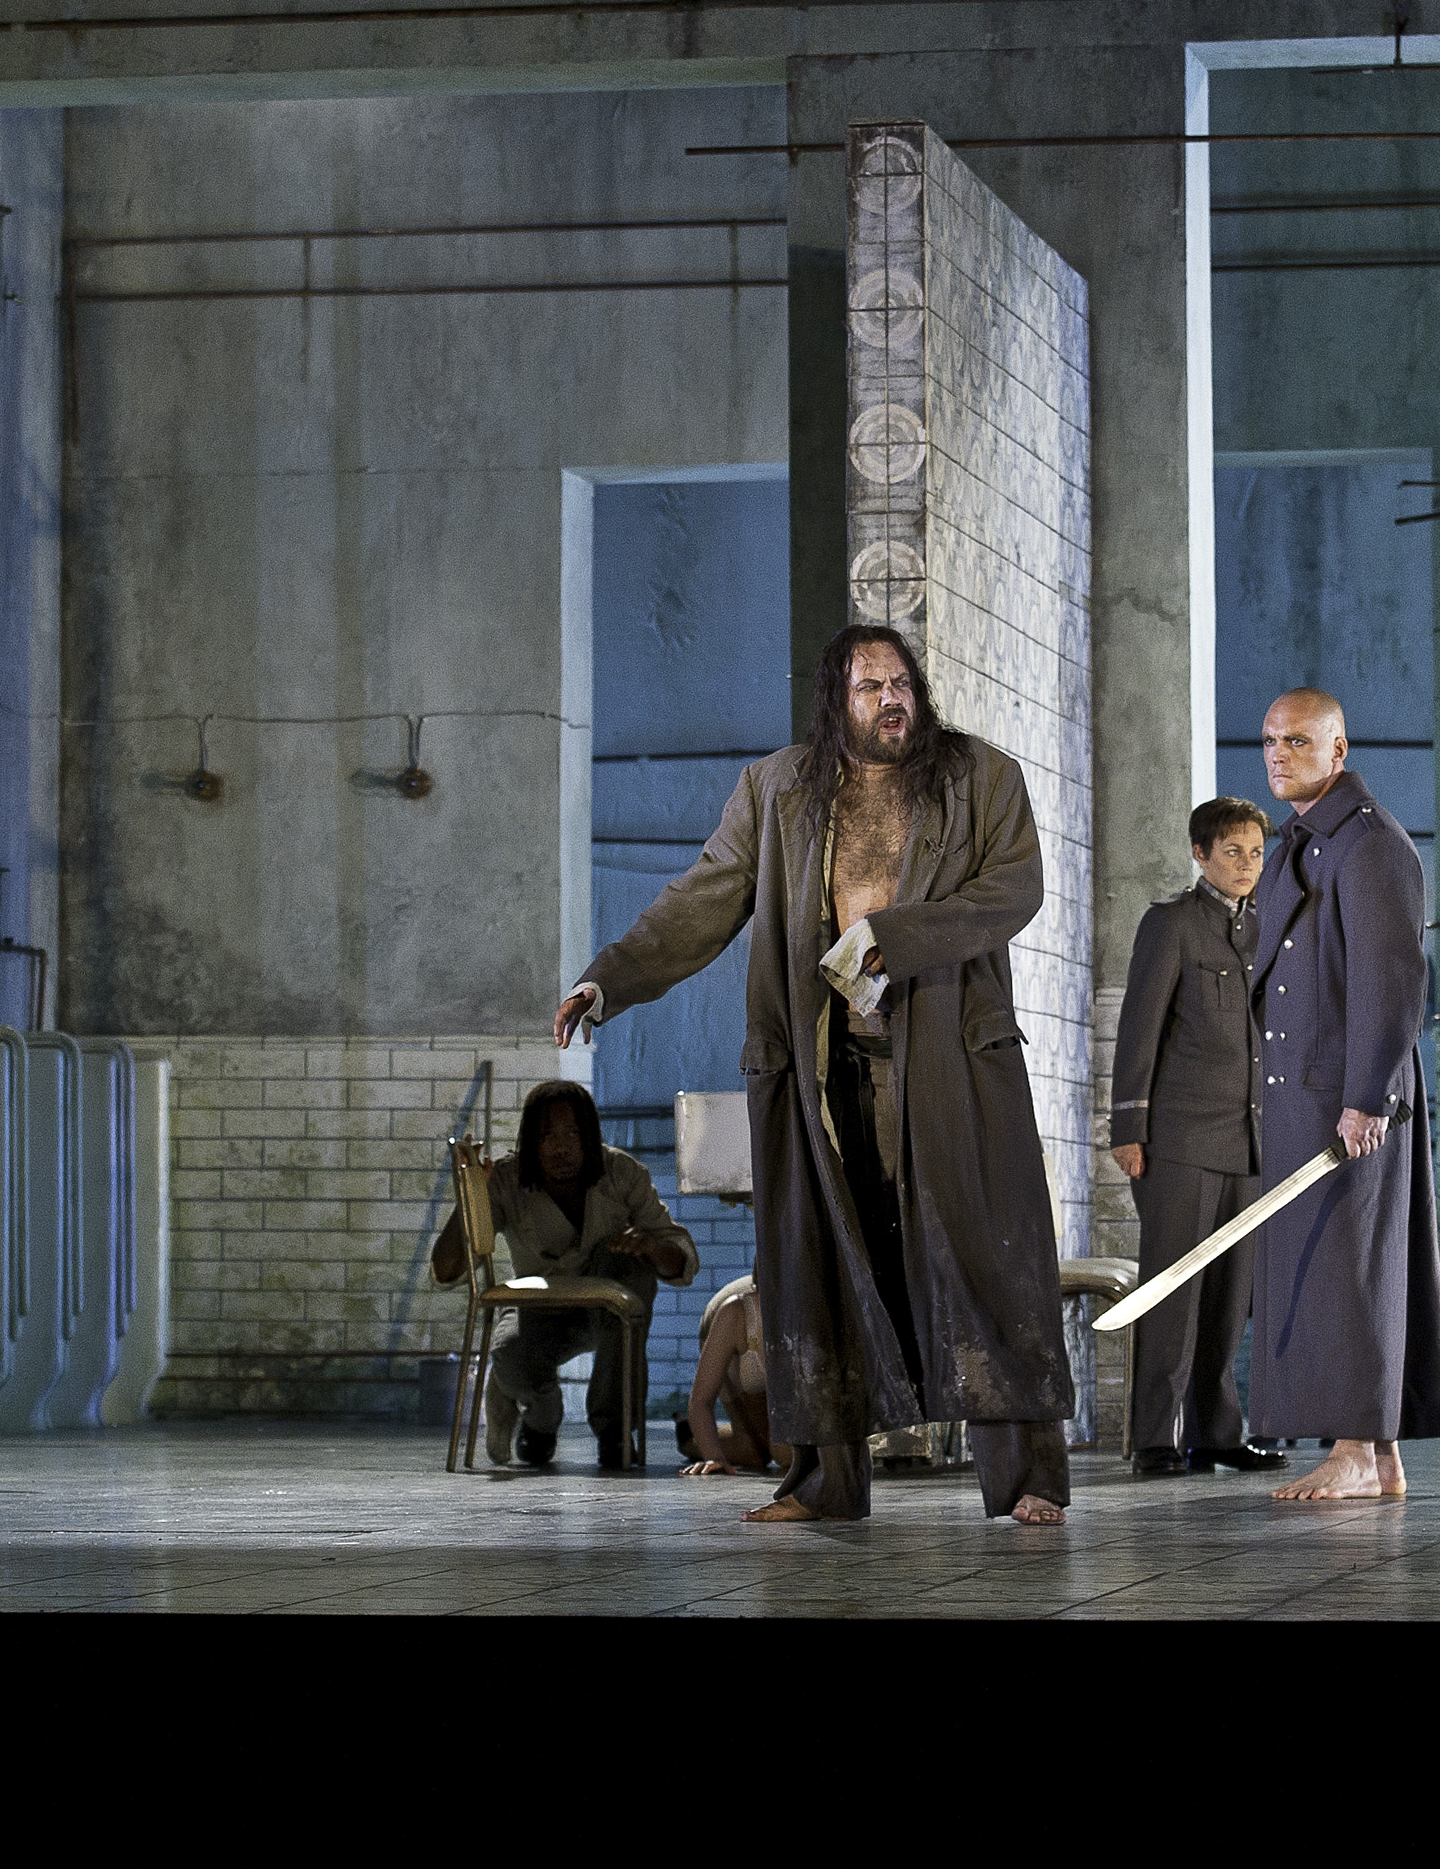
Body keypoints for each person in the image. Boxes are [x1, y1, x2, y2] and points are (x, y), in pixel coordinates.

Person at [556, 624, 1075, 1525]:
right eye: (870, 685)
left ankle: (1027, 1479)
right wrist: (611, 979)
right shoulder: (779, 789)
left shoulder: (980, 777)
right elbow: (703, 898)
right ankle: (823, 1481)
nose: (891, 699)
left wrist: (894, 937)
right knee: (816, 1267)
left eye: (902, 680)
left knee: (987, 1262)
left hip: (948, 1059)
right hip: (818, 1066)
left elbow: (1012, 890)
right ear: (836, 700)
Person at [1249, 689, 1440, 1501]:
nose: (1275, 754)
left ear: (1338, 750)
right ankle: (1380, 1452)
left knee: (1353, 1267)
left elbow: (1392, 981)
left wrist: (1366, 1097)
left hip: (1349, 1096)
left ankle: (1354, 1449)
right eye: (1268, 741)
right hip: (1303, 1094)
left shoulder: (1368, 846)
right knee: (1334, 1266)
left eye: (1296, 741)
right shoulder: (1296, 845)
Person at [1109, 796, 1287, 1476]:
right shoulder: (1172, 925)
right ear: (1200, 853)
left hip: (1247, 1143)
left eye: (1254, 852)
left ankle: (1216, 1433)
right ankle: (1157, 1437)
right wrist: (1128, 1127)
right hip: (1178, 1141)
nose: (1246, 864)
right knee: (1173, 1291)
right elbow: (1139, 1030)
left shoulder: (1266, 931)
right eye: (1233, 851)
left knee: (1227, 1299)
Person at [430, 1080, 697, 1468]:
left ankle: (614, 1430)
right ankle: (538, 1421)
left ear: (590, 1136)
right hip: (537, 1313)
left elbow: (680, 1258)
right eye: (547, 1135)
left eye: (573, 1133)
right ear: (529, 1140)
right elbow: (446, 1270)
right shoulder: (507, 1179)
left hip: (607, 1314)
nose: (560, 1147)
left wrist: (651, 1247)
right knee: (510, 1354)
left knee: (630, 1266)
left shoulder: (621, 1173)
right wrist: (469, 1193)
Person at [675, 1274, 780, 1476]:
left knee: (785, 1450)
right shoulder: (737, 1313)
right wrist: (713, 1457)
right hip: (728, 1321)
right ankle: (689, 1437)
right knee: (753, 1452)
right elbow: (701, 1400)